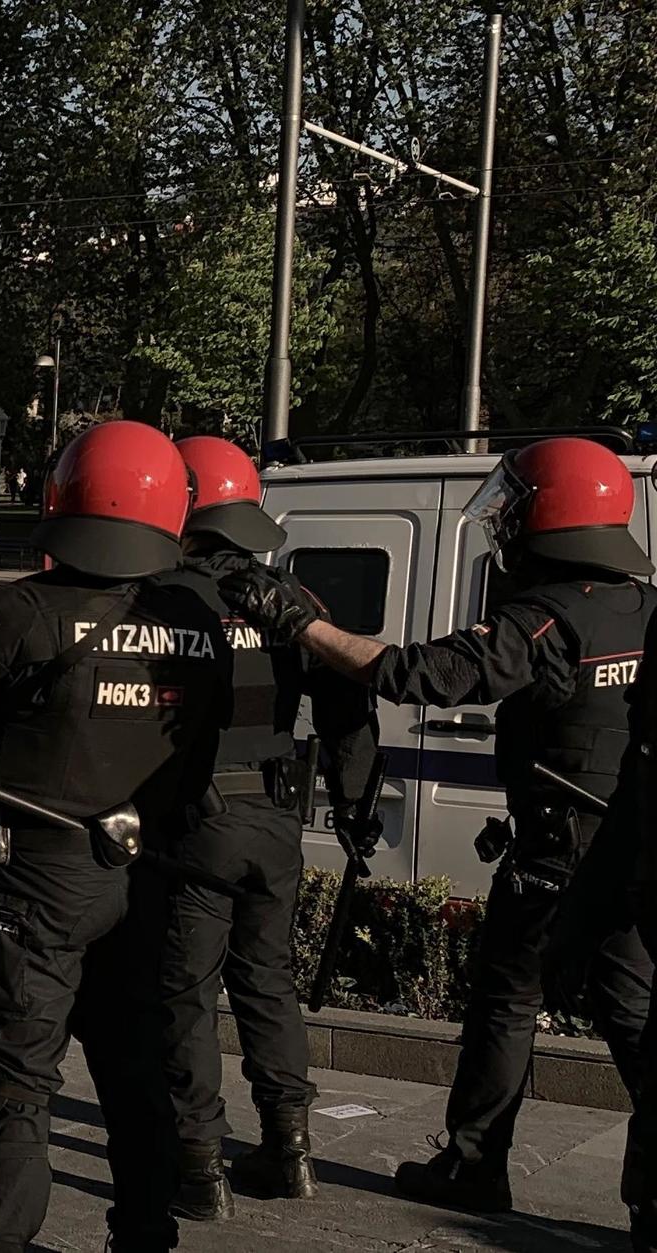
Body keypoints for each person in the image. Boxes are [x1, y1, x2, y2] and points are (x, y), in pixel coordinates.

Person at [225, 434, 655, 1214]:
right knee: (631, 1014)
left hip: (558, 852)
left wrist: (303, 625)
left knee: (507, 1001)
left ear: (546, 517)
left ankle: (475, 1166)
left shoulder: (544, 619)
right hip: (629, 845)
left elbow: (417, 674)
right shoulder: (644, 608)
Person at [0, 421, 232, 1253]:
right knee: (134, 1068)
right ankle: (145, 1233)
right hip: (139, 872)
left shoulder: (19, 613)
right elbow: (197, 765)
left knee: (15, 1083)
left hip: (31, 879)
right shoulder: (196, 620)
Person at [157, 436, 379, 1220]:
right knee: (268, 982)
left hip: (195, 823)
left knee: (186, 994)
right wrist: (353, 805)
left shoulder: (165, 598)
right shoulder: (293, 600)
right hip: (277, 820)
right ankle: (291, 1150)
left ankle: (197, 1165)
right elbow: (349, 708)